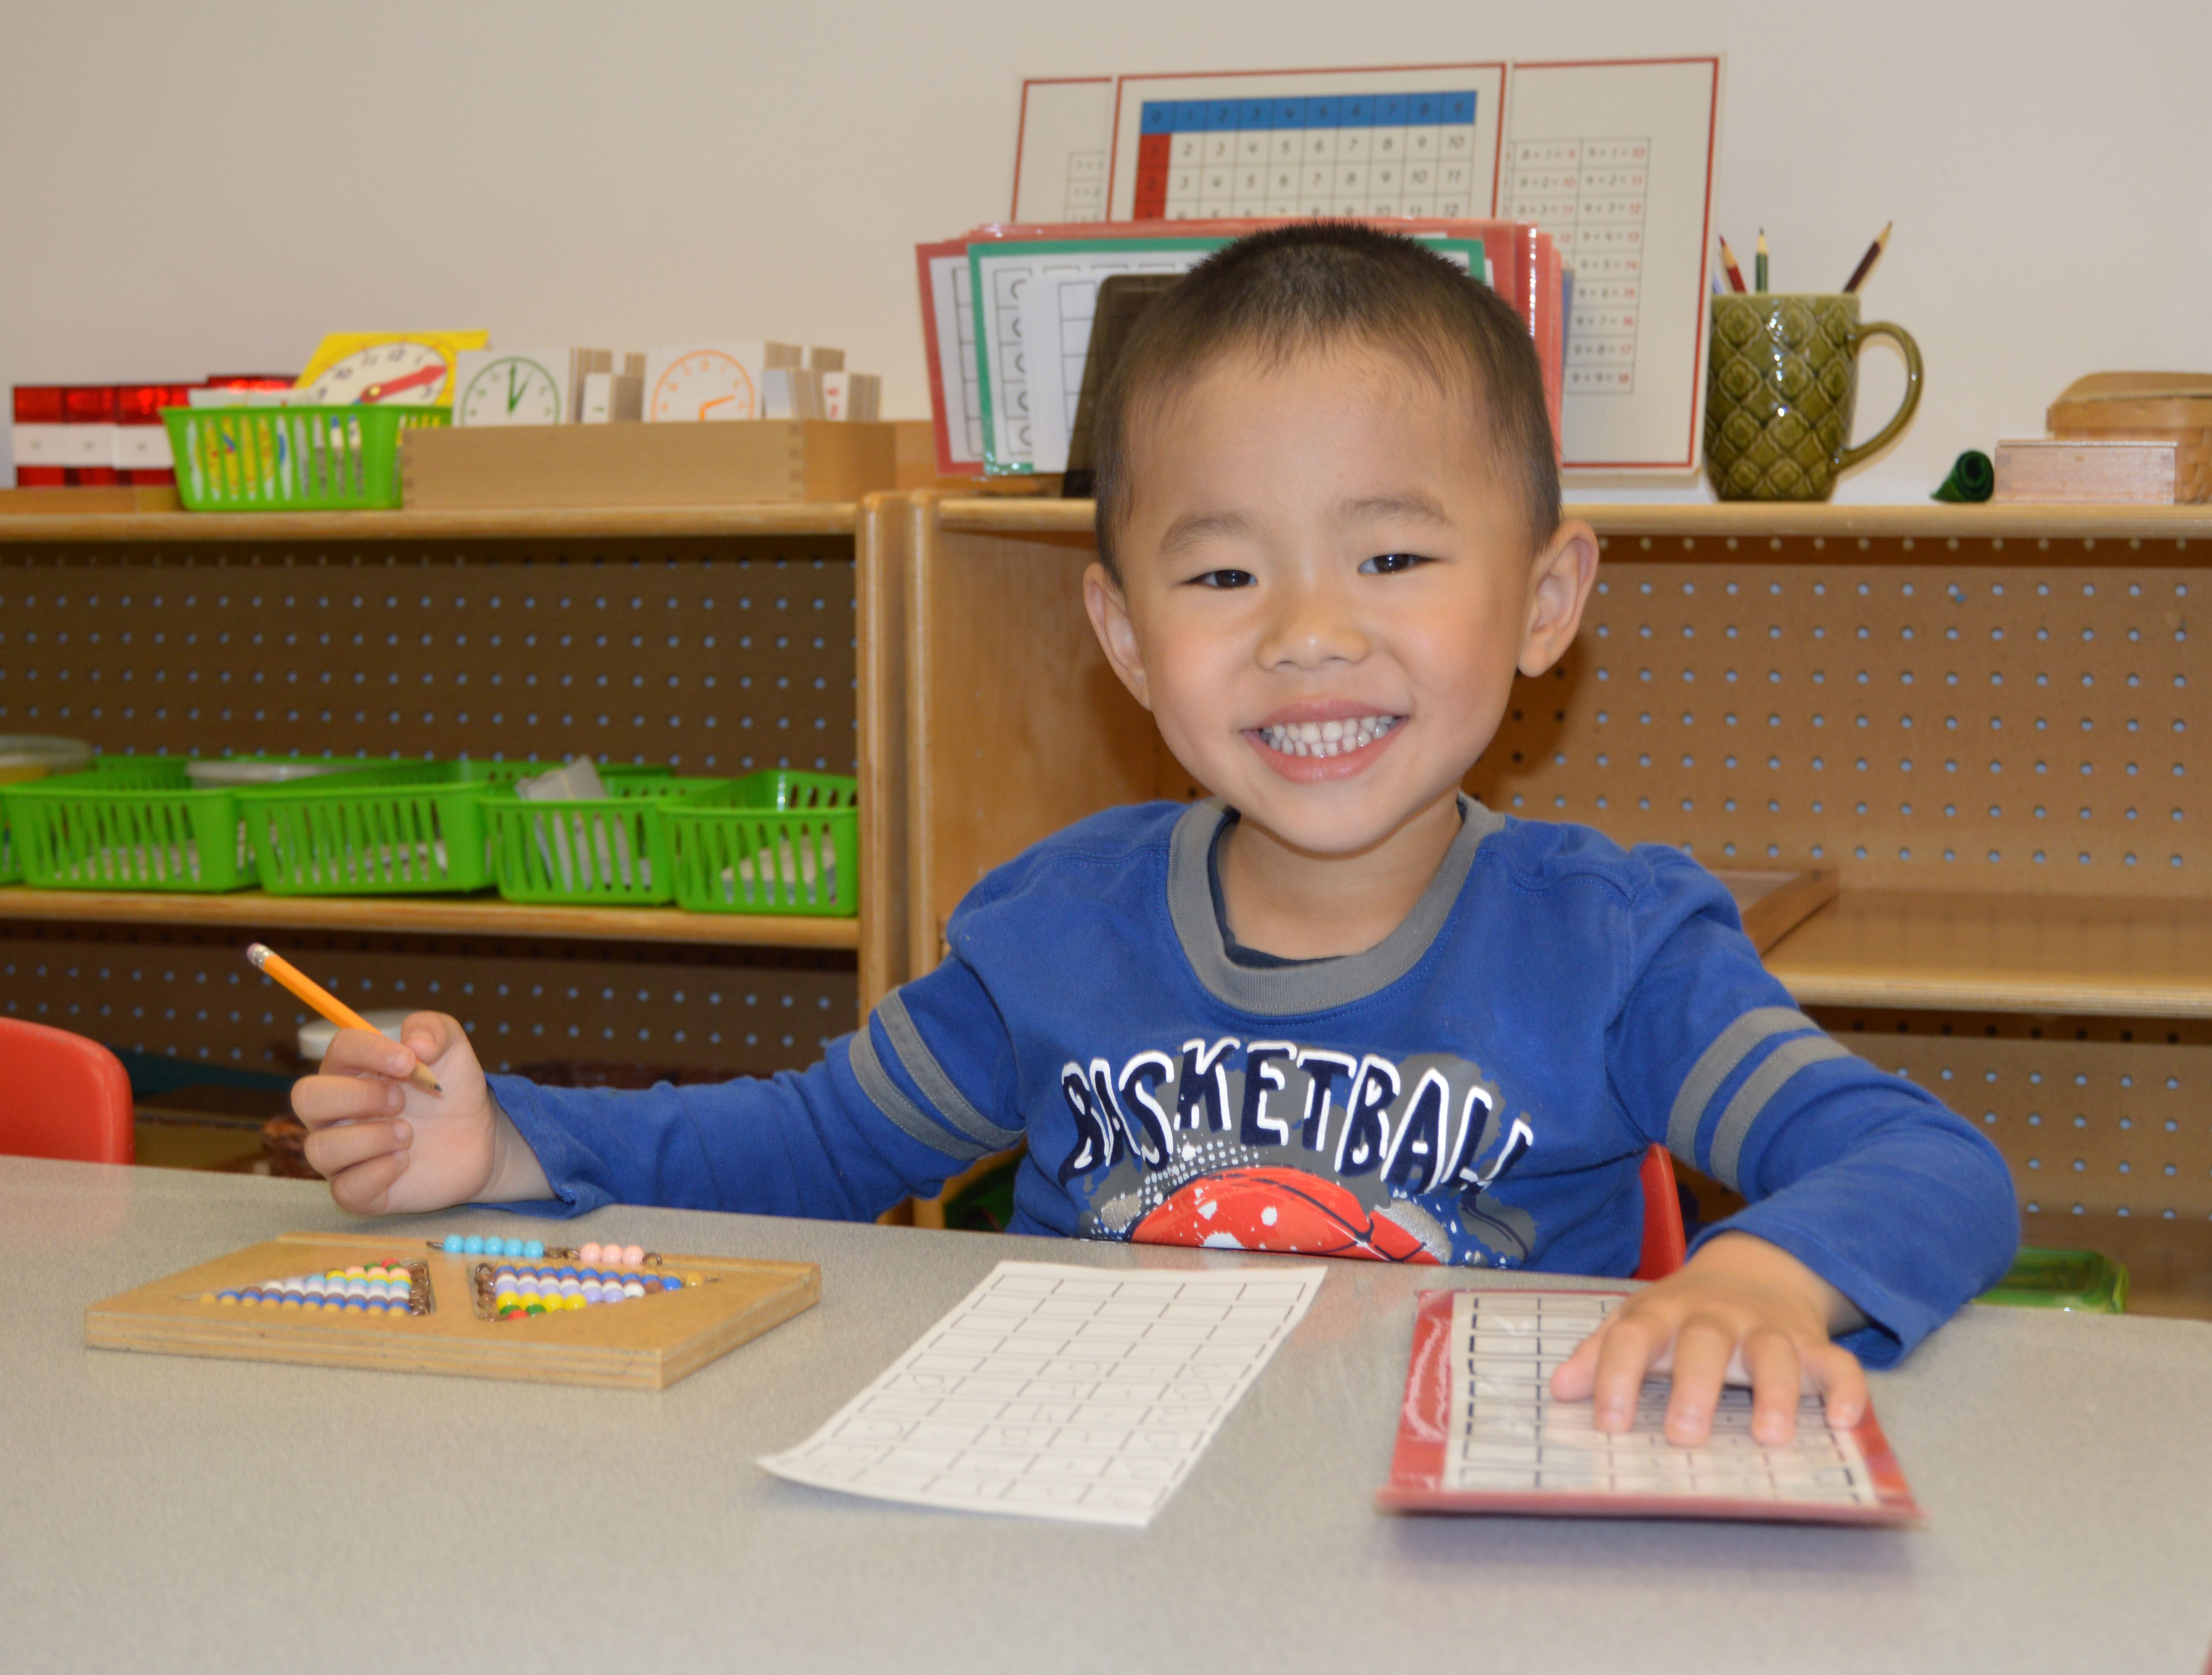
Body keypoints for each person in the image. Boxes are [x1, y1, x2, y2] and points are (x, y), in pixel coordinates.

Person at [295, 224, 2017, 1446]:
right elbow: (808, 1149)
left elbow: (1929, 1169)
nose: (1308, 632)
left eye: (1395, 558)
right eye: (1221, 573)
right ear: (1124, 638)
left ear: (1549, 597)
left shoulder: (1615, 951)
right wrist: (508, 1146)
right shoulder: (1058, 936)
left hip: (1445, 1558)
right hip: (1088, 1527)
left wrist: (1773, 1284)